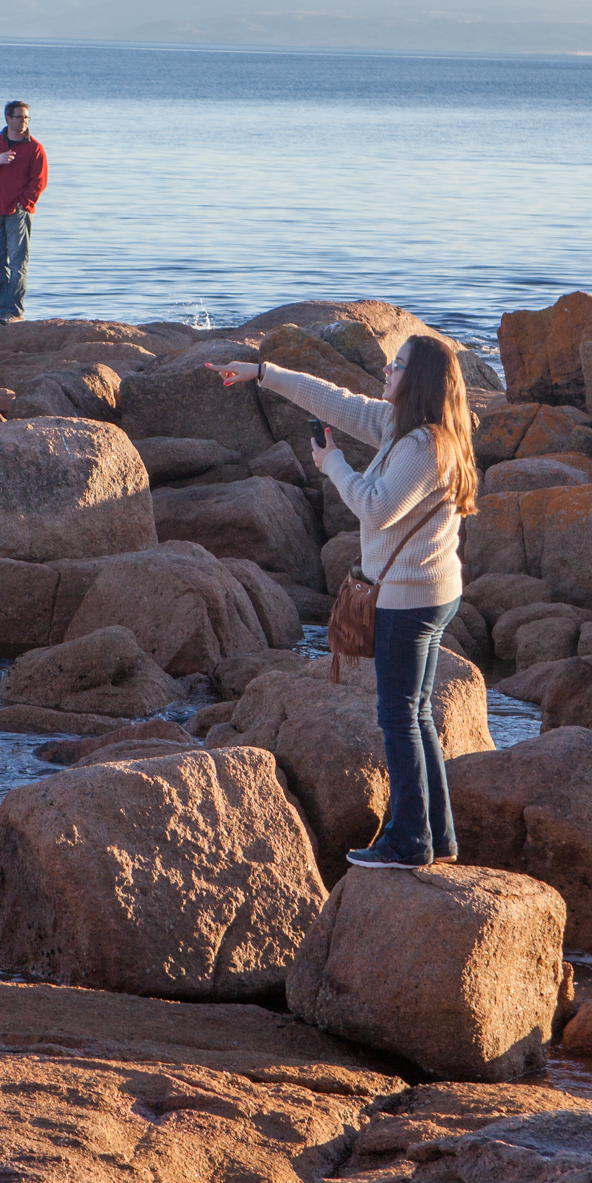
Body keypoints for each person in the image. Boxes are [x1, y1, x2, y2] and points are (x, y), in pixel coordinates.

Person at [208, 334, 477, 869]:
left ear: (418, 379)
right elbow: (333, 400)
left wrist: (331, 463)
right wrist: (263, 372)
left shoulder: (425, 446)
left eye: (396, 365)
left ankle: (409, 842)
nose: (385, 369)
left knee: (399, 716)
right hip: (428, 590)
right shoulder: (402, 427)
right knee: (416, 714)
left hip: (411, 598)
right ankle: (437, 836)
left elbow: (375, 509)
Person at [0, 100, 47, 325]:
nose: (24, 121)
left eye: (26, 117)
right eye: (20, 117)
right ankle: (1, 311)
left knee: (17, 263)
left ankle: (14, 311)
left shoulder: (34, 147)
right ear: (8, 118)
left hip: (19, 213)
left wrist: (23, 204)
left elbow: (39, 182)